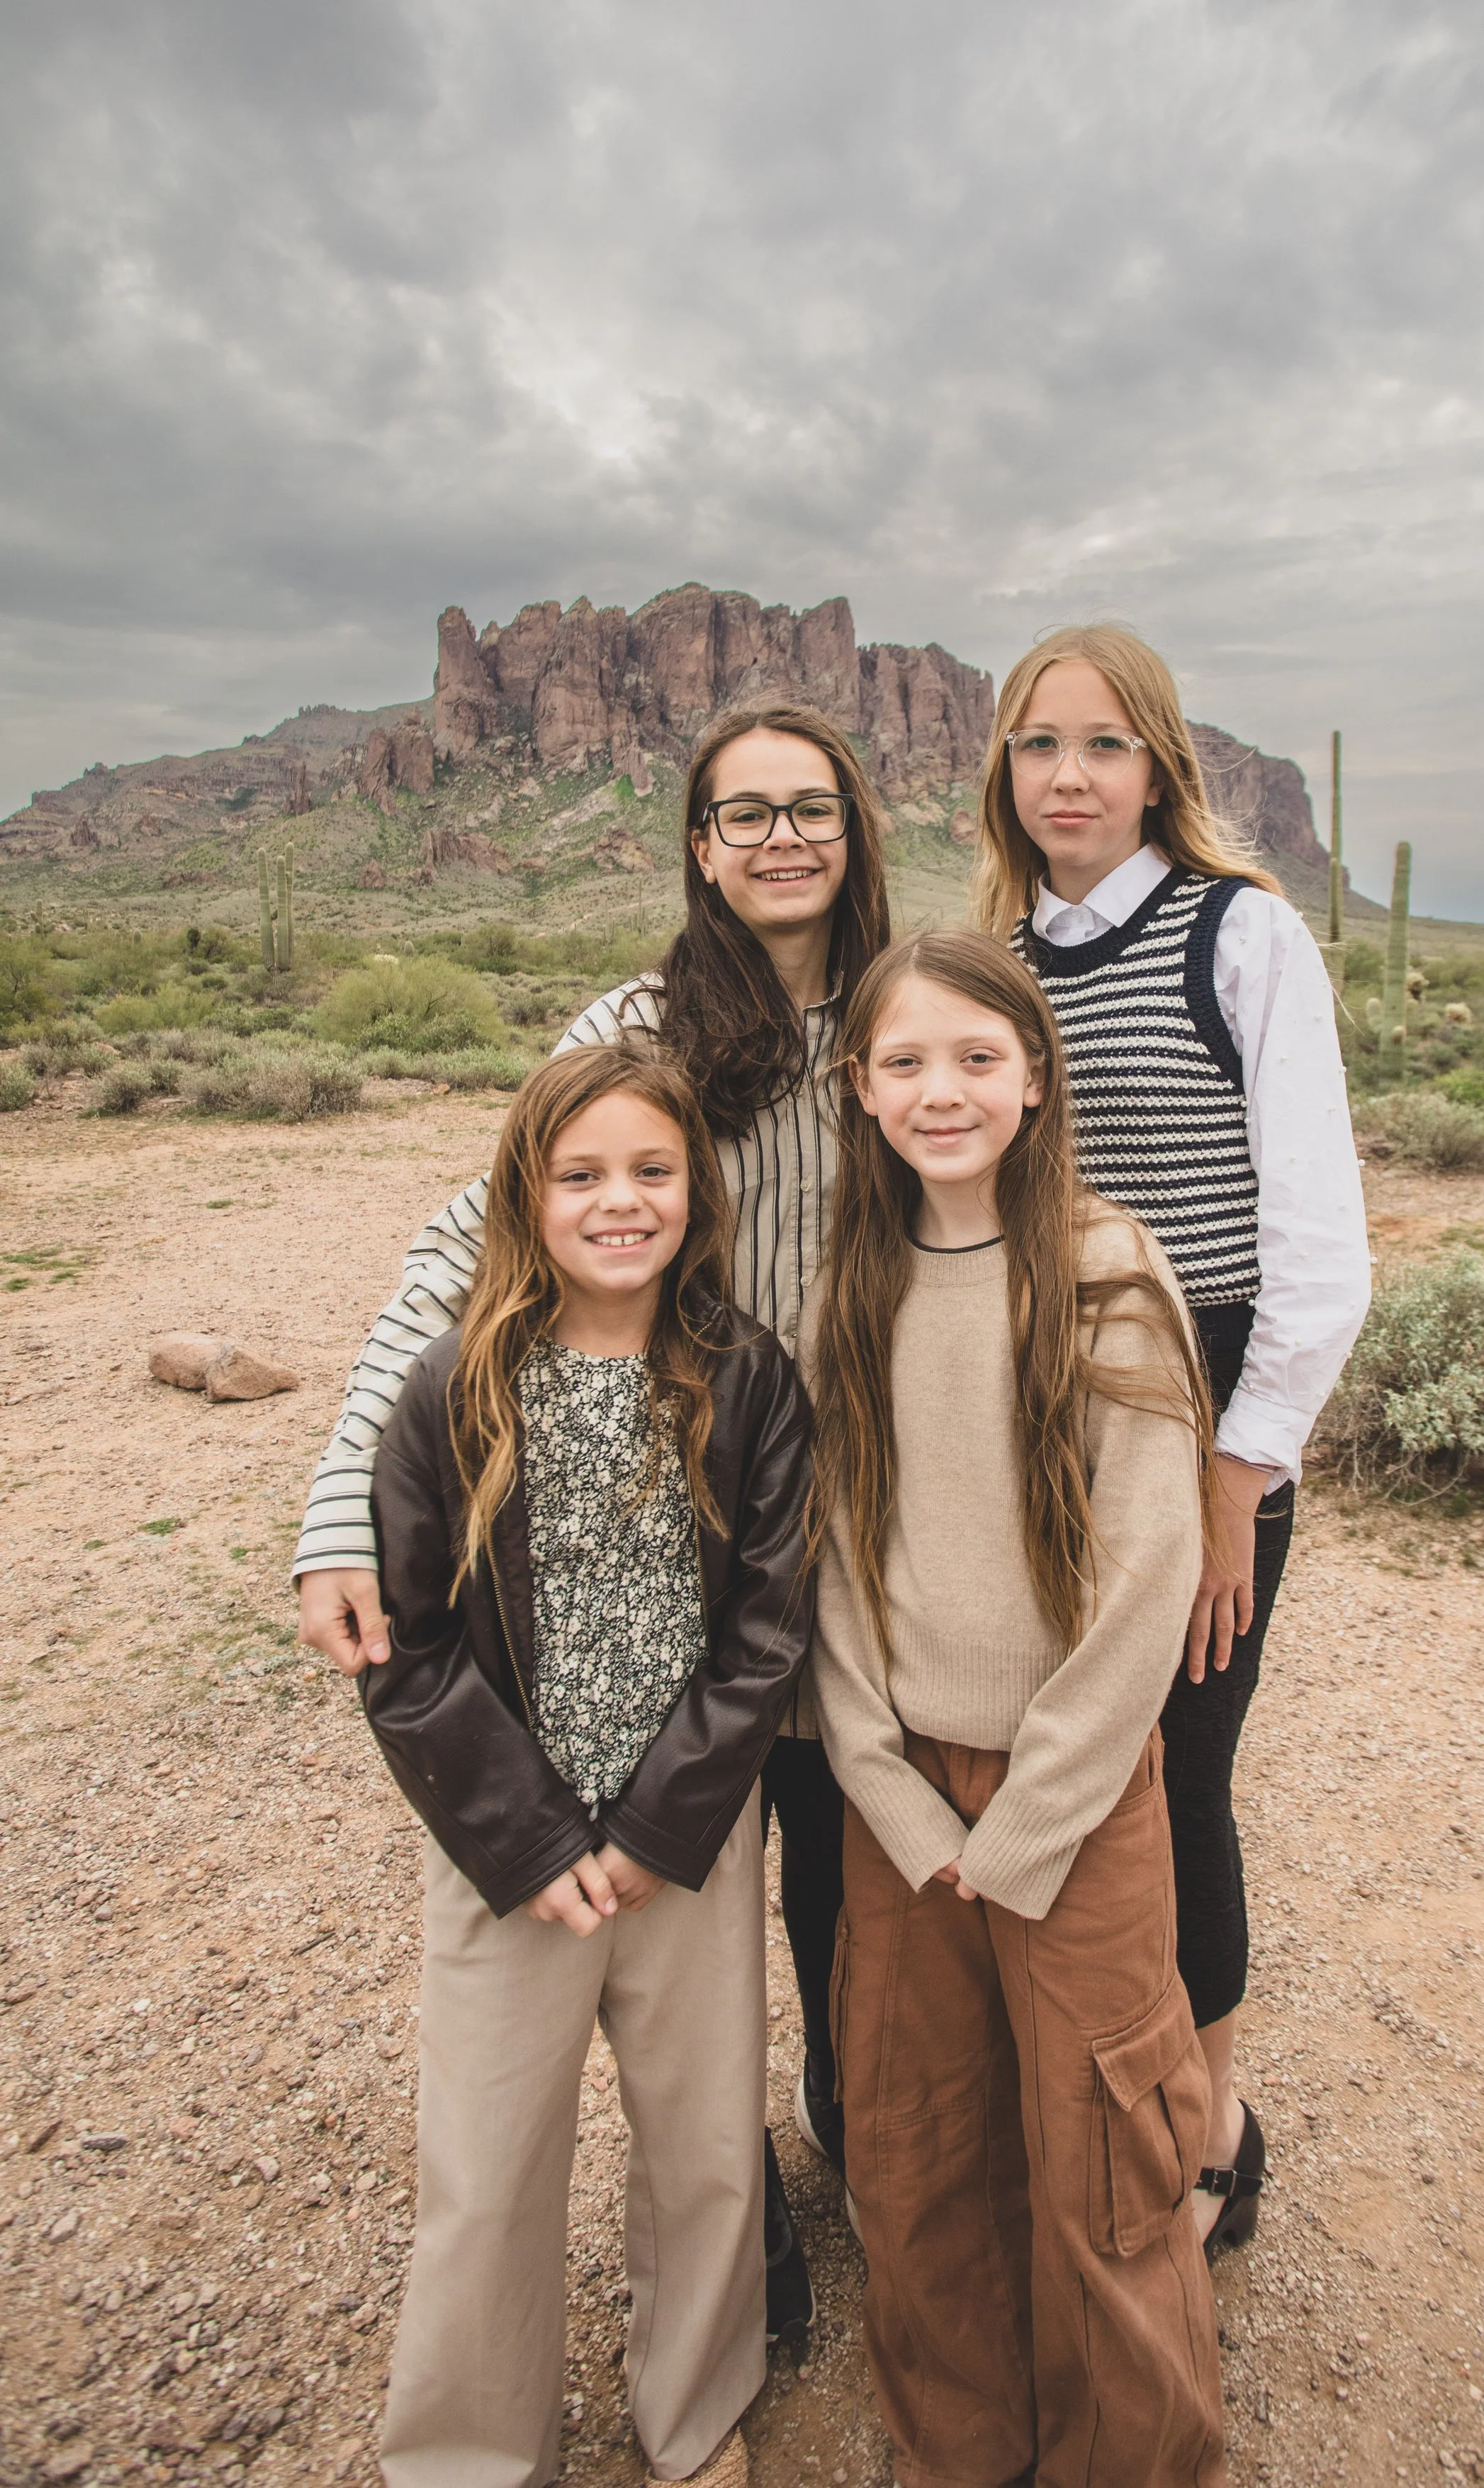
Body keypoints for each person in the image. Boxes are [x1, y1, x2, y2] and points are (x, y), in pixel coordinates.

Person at [293, 699, 889, 2335]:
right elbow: (457, 1248)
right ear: (699, 846)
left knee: (836, 1886)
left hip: (864, 1539)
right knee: (686, 1856)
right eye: (743, 812)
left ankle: (856, 2165)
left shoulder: (899, 1015)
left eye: (810, 806)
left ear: (857, 828)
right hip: (685, 1522)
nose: (781, 836)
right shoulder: (638, 1017)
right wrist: (342, 1500)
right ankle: (746, 2245)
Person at [808, 931, 1227, 2488]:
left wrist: (1028, 1819)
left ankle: (1132, 2461)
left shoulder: (1108, 1270)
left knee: (1103, 2165)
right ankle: (959, 2451)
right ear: (858, 1089)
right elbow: (833, 1565)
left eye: (976, 1058)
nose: (941, 1090)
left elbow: (1143, 1573)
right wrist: (892, 1792)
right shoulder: (847, 1284)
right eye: (904, 1062)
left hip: (1077, 1796)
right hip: (900, 1805)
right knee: (919, 2155)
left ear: (1035, 1080)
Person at [363, 1039, 813, 2488]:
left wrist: (653, 1827)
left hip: (683, 1842)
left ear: (697, 1190)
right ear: (526, 1192)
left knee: (702, 2156)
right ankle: (466, 2453)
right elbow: (409, 1648)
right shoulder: (451, 1386)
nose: (619, 1201)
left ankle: (692, 2418)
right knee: (486, 2170)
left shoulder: (747, 1381)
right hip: (506, 1857)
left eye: (651, 1170)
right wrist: (535, 1841)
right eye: (581, 1175)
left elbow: (767, 1630)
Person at [972, 624, 1370, 2257]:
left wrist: (1236, 1481)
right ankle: (1072, 2093)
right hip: (1030, 1399)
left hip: (1200, 1402)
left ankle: (1208, 2127)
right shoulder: (992, 955)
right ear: (1001, 772)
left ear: (1158, 769)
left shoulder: (1239, 933)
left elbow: (1318, 1242)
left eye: (1103, 745)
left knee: (1180, 1763)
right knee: (1054, 1749)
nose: (1067, 776)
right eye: (1036, 746)